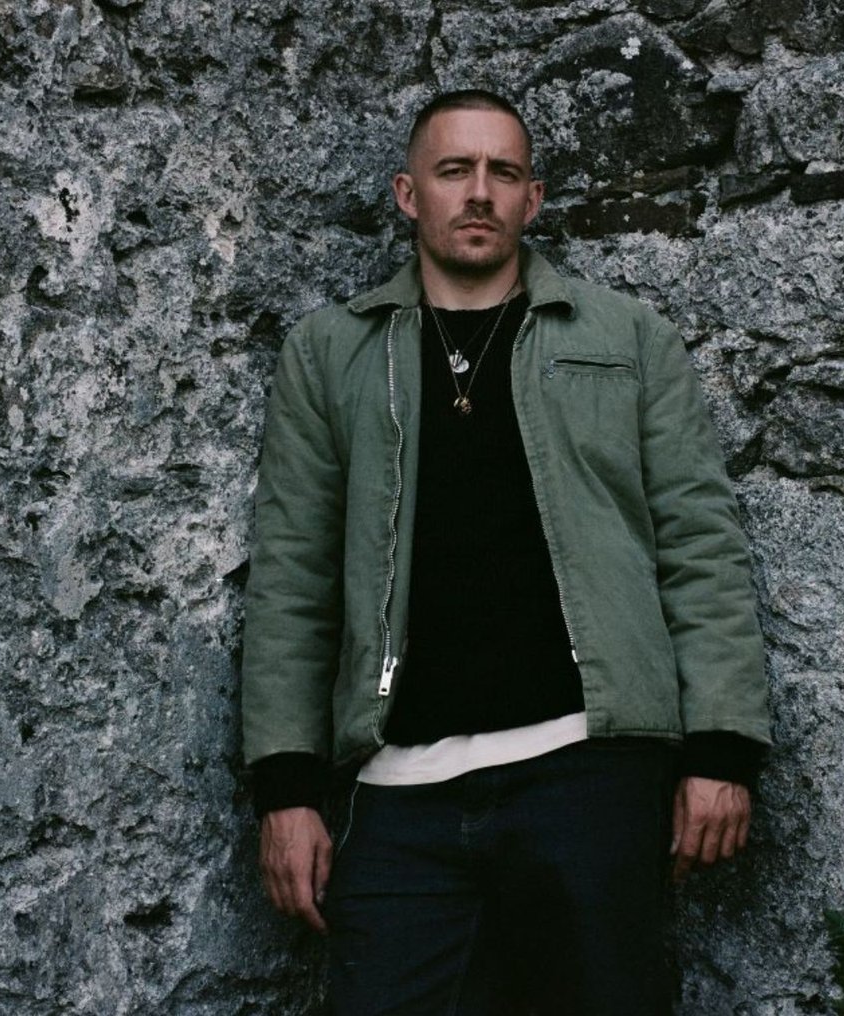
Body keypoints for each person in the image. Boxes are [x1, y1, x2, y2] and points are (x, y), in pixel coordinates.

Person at [240, 88, 772, 1015]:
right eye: (455, 170)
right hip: (397, 797)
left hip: (588, 775)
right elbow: (293, 577)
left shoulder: (627, 339)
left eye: (504, 172)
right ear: (409, 194)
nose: (479, 192)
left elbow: (701, 547)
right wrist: (286, 791)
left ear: (533, 199)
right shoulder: (330, 355)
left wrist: (721, 752)